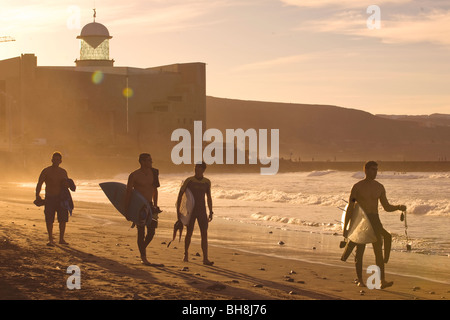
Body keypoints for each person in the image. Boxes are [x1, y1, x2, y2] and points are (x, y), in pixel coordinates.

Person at [342, 161, 406, 288]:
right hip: (361, 221)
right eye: (373, 169)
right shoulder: (357, 187)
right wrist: (346, 227)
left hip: (375, 219)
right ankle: (360, 279)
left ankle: (382, 280)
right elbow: (350, 207)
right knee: (360, 251)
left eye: (377, 170)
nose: (375, 172)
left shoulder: (379, 187)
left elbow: (386, 207)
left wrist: (399, 207)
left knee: (378, 251)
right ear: (365, 170)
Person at [125, 153, 161, 266]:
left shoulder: (154, 173)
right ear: (142, 162)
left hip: (150, 205)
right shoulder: (134, 175)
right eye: (149, 160)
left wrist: (155, 205)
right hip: (139, 207)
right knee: (141, 232)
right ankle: (143, 257)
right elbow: (128, 193)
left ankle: (142, 248)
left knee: (152, 231)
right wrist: (127, 210)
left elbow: (155, 190)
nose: (151, 162)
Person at [176, 161, 214, 266]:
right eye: (195, 167)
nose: (196, 169)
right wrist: (179, 211)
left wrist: (211, 211)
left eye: (198, 167)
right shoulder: (189, 180)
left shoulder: (207, 182)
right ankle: (186, 254)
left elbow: (209, 197)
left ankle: (205, 258)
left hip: (202, 211)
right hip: (191, 211)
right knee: (189, 232)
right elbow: (180, 196)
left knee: (204, 234)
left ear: (203, 169)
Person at [35, 152, 74, 246]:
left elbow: (66, 185)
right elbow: (39, 183)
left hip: (61, 199)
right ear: (51, 160)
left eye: (58, 159)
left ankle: (61, 239)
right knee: (49, 219)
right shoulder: (46, 171)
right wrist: (37, 195)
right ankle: (50, 239)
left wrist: (68, 185)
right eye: (54, 159)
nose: (56, 161)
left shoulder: (63, 172)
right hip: (50, 198)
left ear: (60, 161)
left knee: (63, 219)